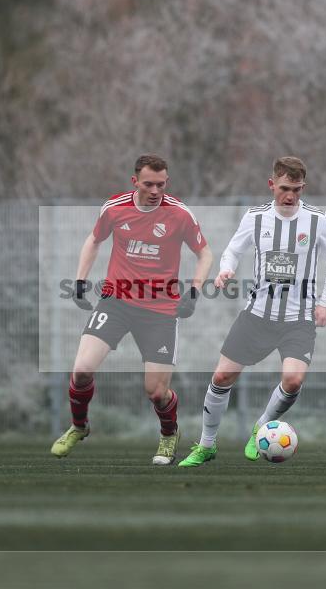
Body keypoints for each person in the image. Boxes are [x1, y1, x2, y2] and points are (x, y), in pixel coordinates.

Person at [177, 156, 326, 467]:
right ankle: (207, 445)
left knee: (293, 380)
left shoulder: (318, 220)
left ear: (303, 187)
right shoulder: (254, 218)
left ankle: (260, 428)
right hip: (257, 315)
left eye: (296, 189)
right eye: (284, 188)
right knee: (222, 375)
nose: (290, 195)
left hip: (299, 319)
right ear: (272, 185)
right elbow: (233, 250)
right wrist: (226, 270)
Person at [50, 154, 213, 465]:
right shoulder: (115, 207)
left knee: (155, 392)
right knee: (82, 370)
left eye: (161, 184)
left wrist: (193, 292)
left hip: (161, 311)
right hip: (117, 301)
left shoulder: (179, 214)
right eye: (149, 183)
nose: (155, 190)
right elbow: (94, 241)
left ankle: (168, 434)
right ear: (135, 181)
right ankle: (78, 426)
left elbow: (205, 253)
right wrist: (80, 281)